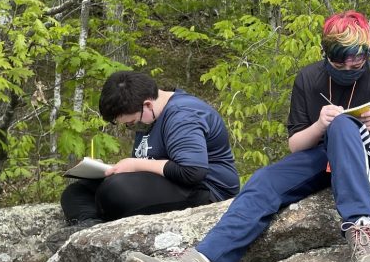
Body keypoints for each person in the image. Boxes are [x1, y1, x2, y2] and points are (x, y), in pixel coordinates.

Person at [123, 10, 370, 262]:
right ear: (325, 52)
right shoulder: (309, 78)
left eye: (359, 56)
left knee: (342, 125)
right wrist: (319, 125)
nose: (351, 64)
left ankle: (362, 234)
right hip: (325, 156)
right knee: (266, 180)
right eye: (342, 56)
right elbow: (297, 145)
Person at [58, 71, 240, 230]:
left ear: (147, 105)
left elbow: (192, 171)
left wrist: (135, 164)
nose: (132, 127)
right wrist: (111, 169)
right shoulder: (148, 117)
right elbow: (149, 164)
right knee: (75, 192)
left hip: (208, 191)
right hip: (170, 181)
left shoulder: (183, 115)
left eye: (131, 123)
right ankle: (91, 229)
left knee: (115, 190)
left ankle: (102, 220)